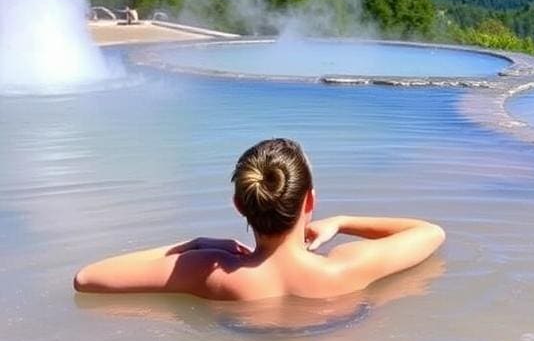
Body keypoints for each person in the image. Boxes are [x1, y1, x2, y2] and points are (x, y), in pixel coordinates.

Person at [73, 139, 446, 300]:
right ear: (309, 200)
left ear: (240, 205)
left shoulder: (208, 273)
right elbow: (430, 232)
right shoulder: (347, 267)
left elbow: (87, 279)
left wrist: (192, 246)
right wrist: (343, 221)